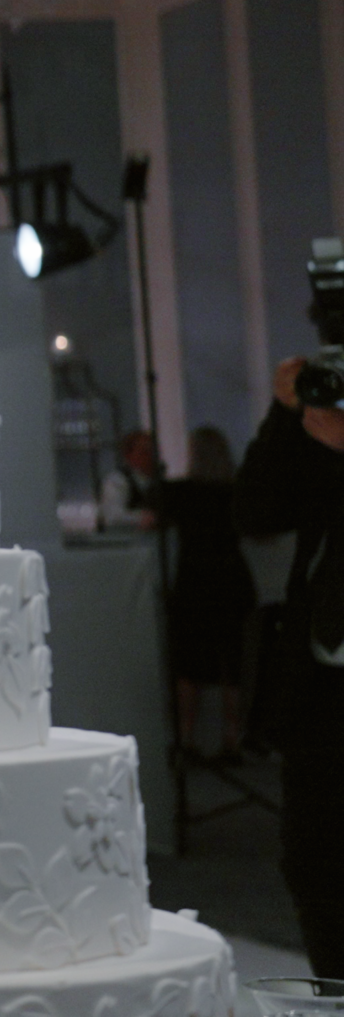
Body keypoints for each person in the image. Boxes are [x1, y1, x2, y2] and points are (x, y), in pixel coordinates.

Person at [233, 357, 344, 978]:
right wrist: (285, 415)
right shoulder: (324, 432)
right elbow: (254, 513)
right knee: (313, 860)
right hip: (323, 680)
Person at [159, 426, 251, 759]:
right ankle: (231, 739)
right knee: (233, 665)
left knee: (189, 666)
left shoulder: (181, 493)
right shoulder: (237, 491)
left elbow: (149, 518)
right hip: (231, 580)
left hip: (194, 582)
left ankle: (187, 739)